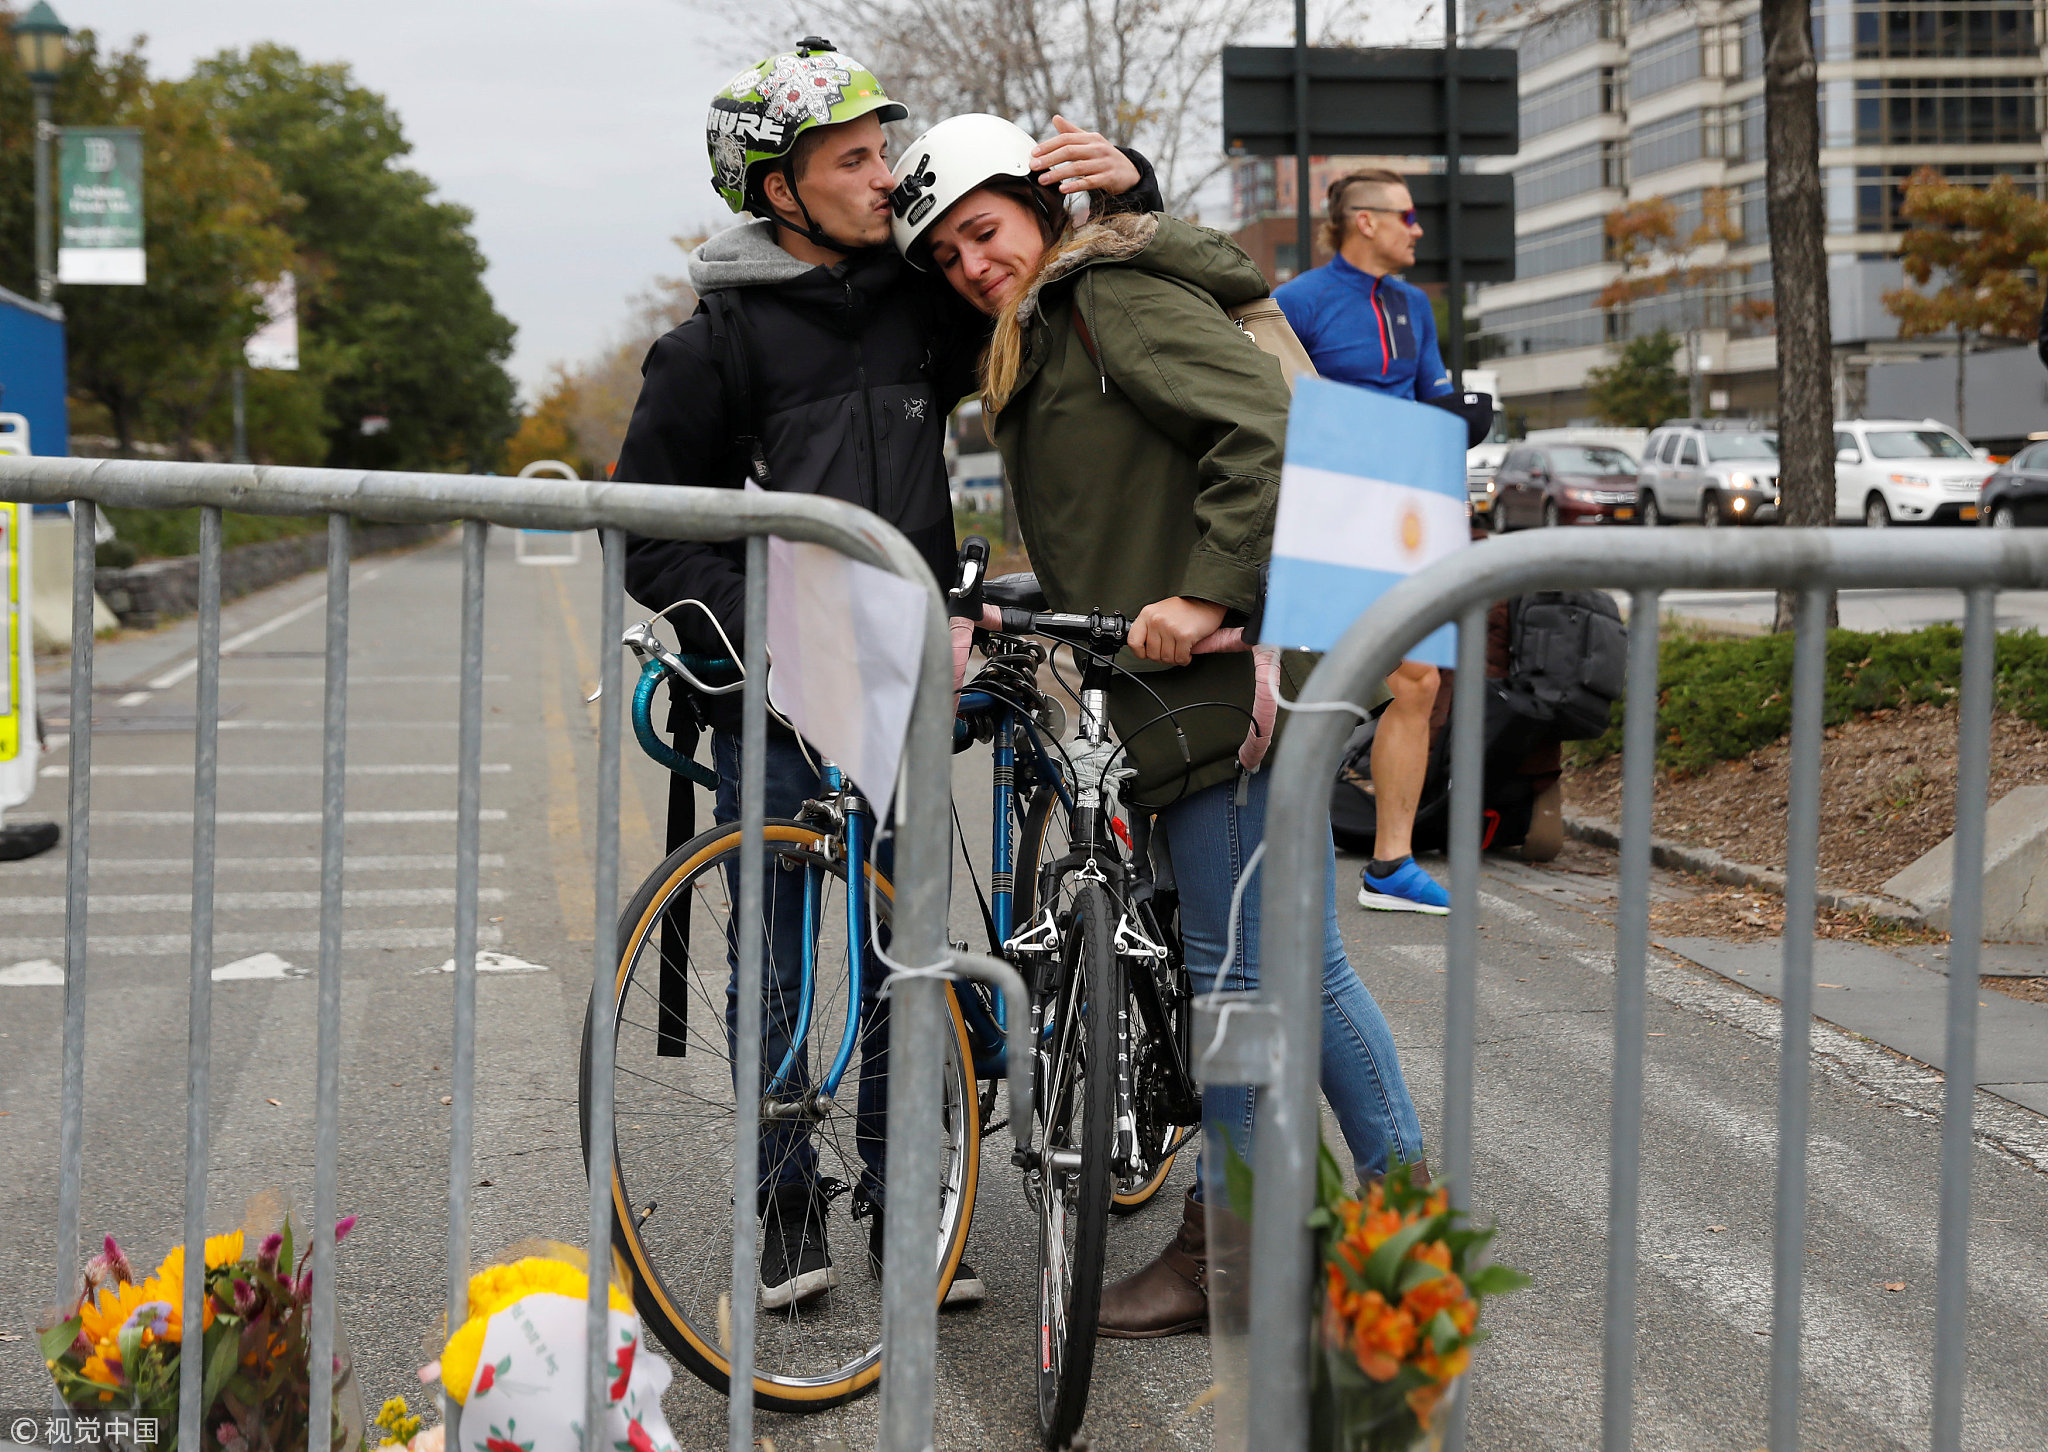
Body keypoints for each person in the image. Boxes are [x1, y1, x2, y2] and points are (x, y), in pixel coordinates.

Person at [614, 39, 1160, 1312]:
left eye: (882, 152)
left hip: (905, 678)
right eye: (853, 160)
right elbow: (651, 535)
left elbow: (1065, 289)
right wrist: (778, 631)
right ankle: (786, 1214)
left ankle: (912, 1202)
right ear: (780, 192)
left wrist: (1126, 190)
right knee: (787, 949)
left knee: (904, 940)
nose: (883, 175)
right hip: (771, 689)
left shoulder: (921, 306)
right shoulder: (711, 349)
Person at [890, 114, 1425, 1339]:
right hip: (1197, 681)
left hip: (1224, 680)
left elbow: (1265, 429)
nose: (973, 265)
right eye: (950, 257)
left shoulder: (1102, 297)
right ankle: (1390, 1225)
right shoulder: (1051, 323)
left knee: (1235, 982)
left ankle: (1232, 1261)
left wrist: (1205, 589)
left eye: (985, 230)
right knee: (1301, 969)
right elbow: (1140, 478)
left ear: (1042, 205)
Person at [1274, 169, 1454, 916]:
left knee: (1419, 681)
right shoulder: (1298, 302)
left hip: (1401, 519)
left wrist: (1463, 414)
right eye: (1406, 215)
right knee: (1302, 695)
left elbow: (1432, 399)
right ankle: (1273, 858)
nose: (1418, 229)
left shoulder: (1414, 306)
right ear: (1366, 223)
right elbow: (1262, 401)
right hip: (1319, 522)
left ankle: (1390, 865)